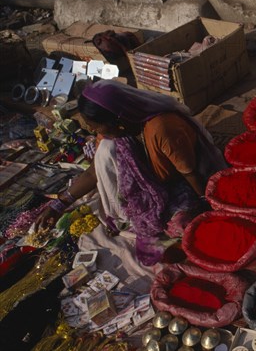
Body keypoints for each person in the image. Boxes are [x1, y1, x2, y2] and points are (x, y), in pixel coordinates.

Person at [36, 80, 227, 265]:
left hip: (182, 182)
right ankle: (131, 217)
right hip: (153, 185)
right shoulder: (114, 132)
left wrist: (207, 205)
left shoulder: (161, 128)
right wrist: (59, 204)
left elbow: (190, 173)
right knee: (104, 151)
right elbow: (93, 173)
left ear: (117, 120)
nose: (93, 131)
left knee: (183, 232)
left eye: (95, 126)